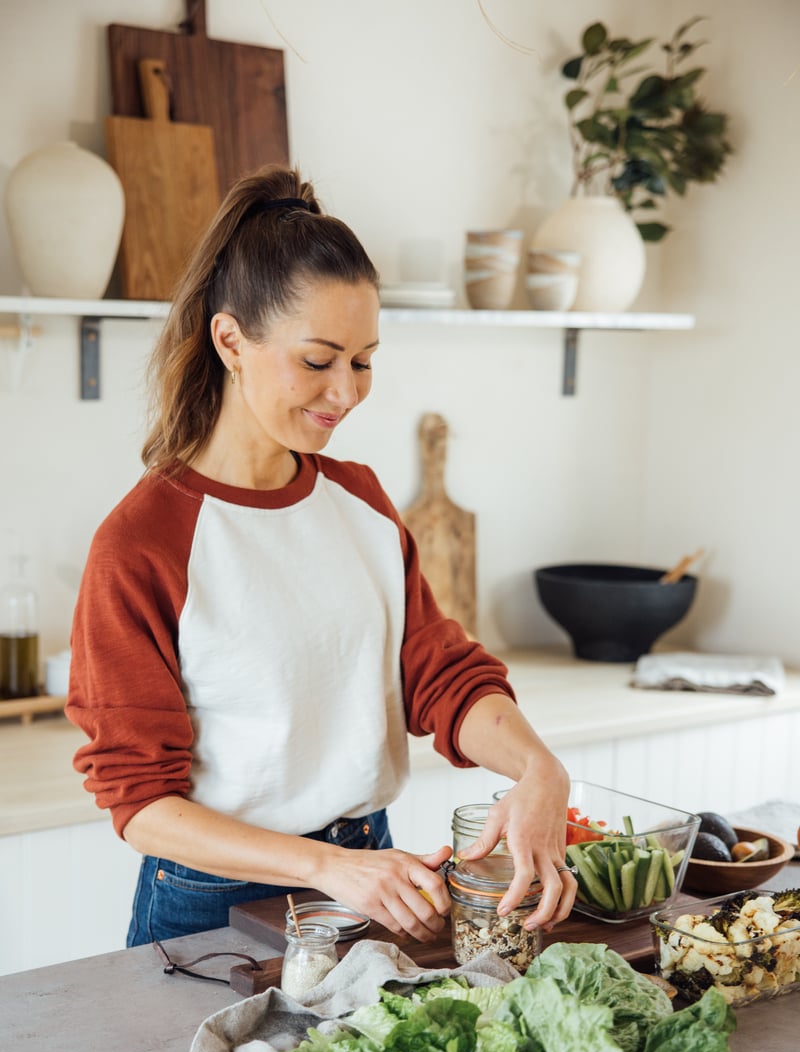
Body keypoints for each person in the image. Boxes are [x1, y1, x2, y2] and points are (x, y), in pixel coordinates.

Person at [66, 165, 575, 949]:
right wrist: (325, 867)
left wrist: (539, 768)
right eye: (318, 359)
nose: (345, 391)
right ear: (231, 339)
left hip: (372, 875)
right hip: (217, 905)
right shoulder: (142, 543)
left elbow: (437, 675)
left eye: (364, 360)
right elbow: (143, 807)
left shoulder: (361, 501)